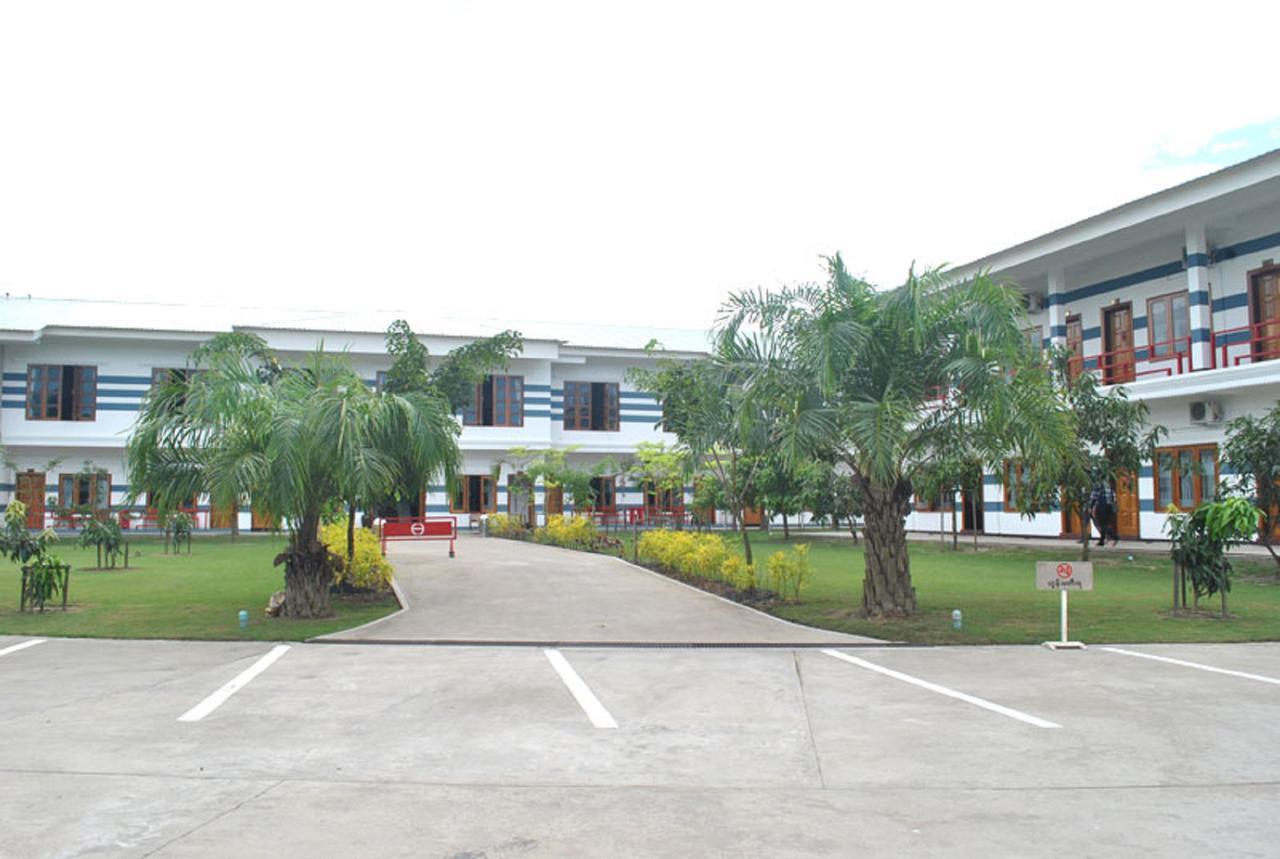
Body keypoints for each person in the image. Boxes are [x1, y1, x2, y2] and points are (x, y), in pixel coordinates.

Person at [1087, 480, 1118, 547]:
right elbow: (1114, 497)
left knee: (1102, 524)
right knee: (1105, 523)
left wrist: (1090, 507)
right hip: (1109, 507)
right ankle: (1102, 541)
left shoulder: (1098, 485)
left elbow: (1093, 496)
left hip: (1101, 506)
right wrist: (1114, 507)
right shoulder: (1109, 485)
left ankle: (1114, 536)